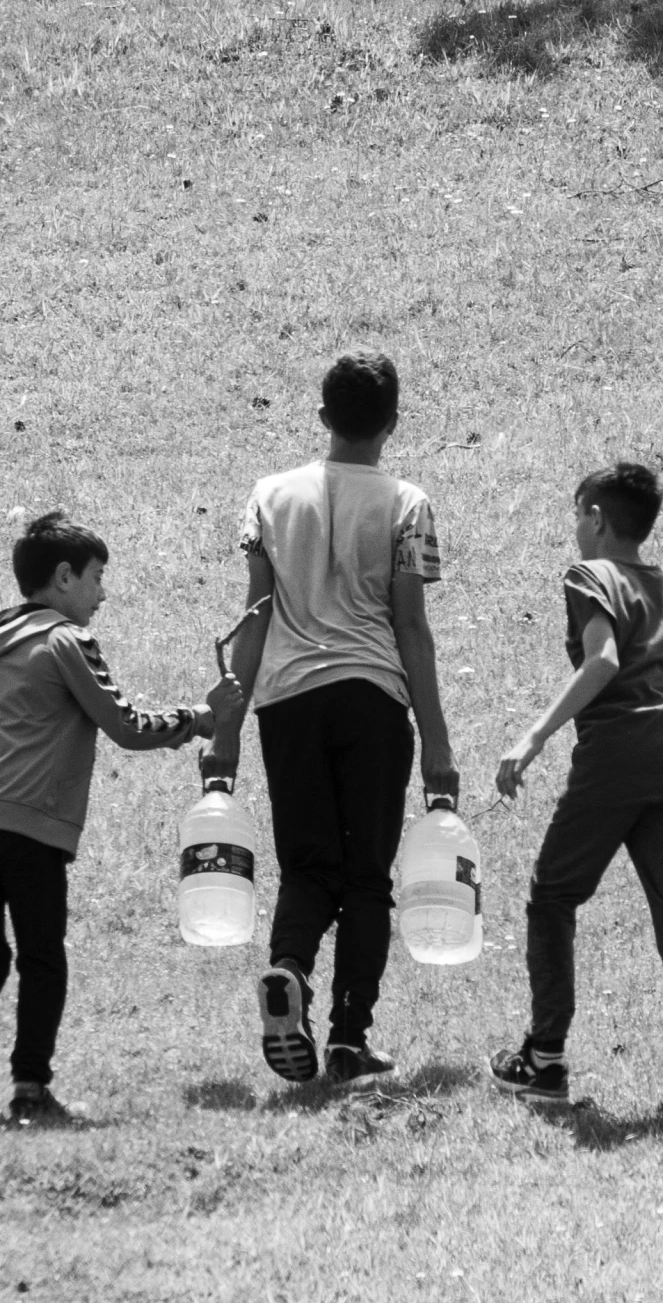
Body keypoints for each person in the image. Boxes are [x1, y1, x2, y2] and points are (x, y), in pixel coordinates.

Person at [0, 509, 216, 1126]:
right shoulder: (64, 640)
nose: (104, 592)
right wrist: (197, 719)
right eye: (98, 576)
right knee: (42, 956)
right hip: (28, 825)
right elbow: (124, 725)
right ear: (64, 576)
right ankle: (30, 1089)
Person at [204, 351, 459, 1091]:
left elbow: (253, 618)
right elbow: (411, 627)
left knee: (309, 864)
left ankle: (288, 969)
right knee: (367, 879)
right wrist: (437, 740)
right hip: (374, 699)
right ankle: (350, 1038)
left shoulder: (268, 496)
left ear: (322, 418)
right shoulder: (408, 503)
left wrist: (226, 731)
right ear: (393, 423)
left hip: (286, 703)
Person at [490, 461, 663, 1114]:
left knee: (552, 898)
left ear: (597, 518)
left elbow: (601, 659)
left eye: (579, 514)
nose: (576, 528)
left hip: (617, 761)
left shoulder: (589, 575)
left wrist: (532, 738)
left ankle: (543, 1061)